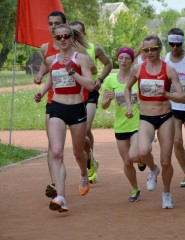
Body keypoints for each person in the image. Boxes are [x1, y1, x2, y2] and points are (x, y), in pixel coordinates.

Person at [125, 34, 185, 209]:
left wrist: (166, 94)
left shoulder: (169, 69)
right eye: (146, 50)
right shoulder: (137, 69)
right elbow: (127, 88)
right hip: (145, 117)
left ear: (159, 48)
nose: (150, 52)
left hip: (165, 116)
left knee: (166, 160)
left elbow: (181, 97)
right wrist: (129, 106)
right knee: (143, 152)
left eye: (153, 49)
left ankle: (166, 193)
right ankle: (153, 169)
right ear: (142, 51)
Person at [44, 24, 95, 212]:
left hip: (76, 108)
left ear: (72, 38)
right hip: (57, 107)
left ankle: (84, 173)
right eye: (59, 37)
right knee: (56, 152)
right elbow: (51, 79)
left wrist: (72, 71)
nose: (63, 39)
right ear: (55, 40)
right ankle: (61, 197)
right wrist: (41, 92)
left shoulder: (81, 58)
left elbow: (90, 85)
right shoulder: (51, 59)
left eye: (66, 36)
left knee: (77, 152)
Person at [69, 21, 113, 183]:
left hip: (90, 91)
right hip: (73, 94)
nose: (74, 36)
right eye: (71, 33)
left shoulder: (94, 48)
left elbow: (108, 64)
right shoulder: (65, 50)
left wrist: (100, 79)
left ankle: (90, 165)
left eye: (77, 33)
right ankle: (91, 159)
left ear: (84, 34)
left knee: (86, 127)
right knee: (80, 133)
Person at [102, 47, 146, 201]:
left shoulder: (138, 78)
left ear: (132, 60)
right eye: (121, 58)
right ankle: (135, 189)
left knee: (133, 156)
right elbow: (104, 105)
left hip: (137, 122)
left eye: (127, 58)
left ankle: (141, 159)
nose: (124, 61)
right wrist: (108, 99)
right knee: (127, 162)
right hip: (121, 125)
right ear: (117, 60)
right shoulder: (110, 80)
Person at [33, 11, 67, 200]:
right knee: (54, 145)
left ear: (65, 24)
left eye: (57, 23)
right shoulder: (45, 47)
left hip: (77, 101)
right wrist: (40, 75)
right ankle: (55, 184)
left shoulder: (75, 46)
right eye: (50, 24)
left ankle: (88, 160)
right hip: (54, 100)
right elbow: (48, 65)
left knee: (81, 146)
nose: (53, 27)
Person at [164, 28, 185, 187]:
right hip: (173, 107)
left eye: (178, 44)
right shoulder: (166, 59)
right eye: (172, 44)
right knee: (176, 142)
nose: (175, 47)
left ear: (182, 43)